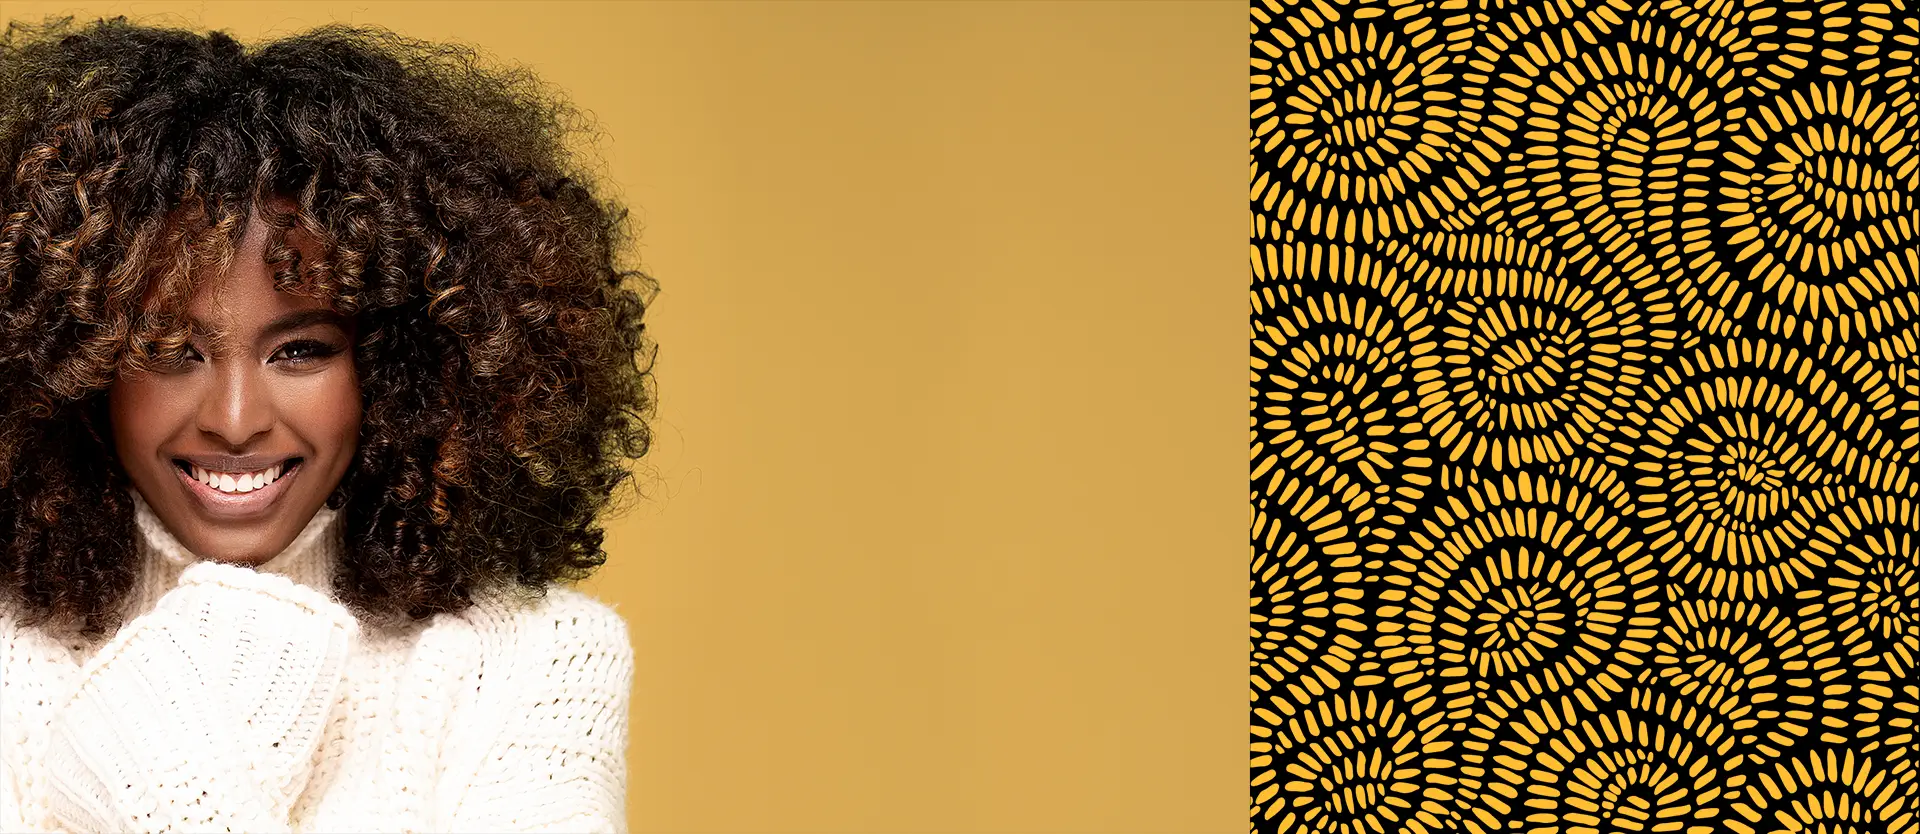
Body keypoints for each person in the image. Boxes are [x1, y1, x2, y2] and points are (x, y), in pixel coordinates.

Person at [0, 14, 658, 833]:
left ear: (399, 361)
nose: (235, 421)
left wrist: (158, 781)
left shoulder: (542, 661)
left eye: (300, 350)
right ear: (72, 363)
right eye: (171, 349)